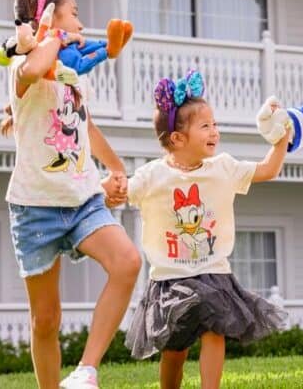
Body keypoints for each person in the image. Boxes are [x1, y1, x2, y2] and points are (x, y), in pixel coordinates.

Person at [1, 0, 141, 389]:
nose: (82, 20)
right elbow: (35, 67)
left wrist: (116, 169)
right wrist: (51, 37)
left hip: (82, 199)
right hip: (35, 207)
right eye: (74, 12)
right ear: (48, 17)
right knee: (46, 320)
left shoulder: (74, 75)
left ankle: (86, 371)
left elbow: (86, 125)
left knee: (128, 262)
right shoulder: (21, 72)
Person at [116, 71, 289, 389]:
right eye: (205, 126)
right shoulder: (152, 175)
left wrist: (281, 139)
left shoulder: (223, 167)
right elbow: (123, 190)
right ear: (177, 139)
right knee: (175, 350)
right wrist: (107, 187)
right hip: (170, 278)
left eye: (215, 124)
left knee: (215, 330)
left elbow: (268, 169)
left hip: (213, 272)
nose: (215, 132)